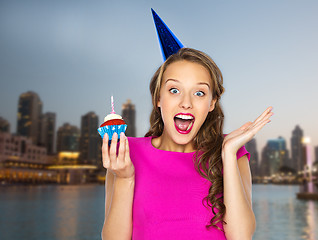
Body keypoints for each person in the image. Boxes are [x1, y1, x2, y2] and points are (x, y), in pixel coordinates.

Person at [100, 48, 273, 239]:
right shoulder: (125, 153)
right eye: (174, 90)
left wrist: (228, 155)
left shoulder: (232, 151)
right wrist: (125, 179)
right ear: (158, 98)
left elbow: (241, 236)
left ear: (212, 103)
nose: (186, 103)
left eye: (199, 93)